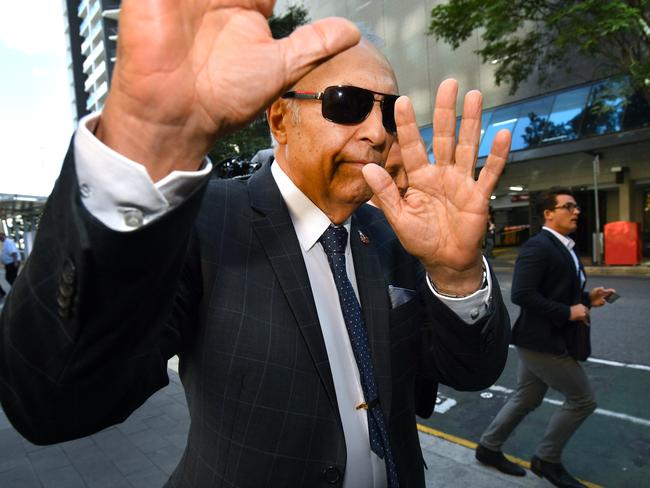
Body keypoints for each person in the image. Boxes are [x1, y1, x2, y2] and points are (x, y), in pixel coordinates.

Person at [0, 1, 513, 487]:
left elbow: (470, 372)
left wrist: (457, 275)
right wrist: (147, 142)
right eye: (347, 104)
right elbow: (53, 401)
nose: (378, 133)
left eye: (390, 110)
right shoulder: (207, 222)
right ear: (279, 119)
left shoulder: (391, 235)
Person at [475, 188, 616, 488]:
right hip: (542, 341)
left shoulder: (564, 246)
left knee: (527, 396)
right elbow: (523, 294)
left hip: (544, 338)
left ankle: (488, 447)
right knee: (583, 400)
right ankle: (547, 460)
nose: (576, 211)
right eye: (568, 206)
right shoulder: (538, 246)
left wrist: (589, 298)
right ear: (548, 214)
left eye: (576, 206)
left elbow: (558, 290)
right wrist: (568, 311)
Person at [0, 232, 20, 298]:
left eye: (0, 236)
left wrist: (15, 262)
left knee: (10, 278)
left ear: (3, 235)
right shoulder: (5, 243)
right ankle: (17, 289)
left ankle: (17, 290)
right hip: (10, 264)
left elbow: (13, 252)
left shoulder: (8, 242)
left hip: (12, 263)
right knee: (12, 278)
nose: (0, 238)